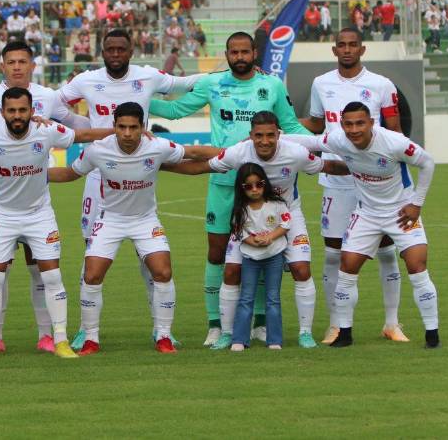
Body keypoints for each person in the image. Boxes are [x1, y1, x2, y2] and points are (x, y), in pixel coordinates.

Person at [149, 31, 310, 346]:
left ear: (254, 52)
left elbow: (290, 126)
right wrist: (136, 98)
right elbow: (174, 111)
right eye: (233, 52)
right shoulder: (213, 83)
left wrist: (329, 143)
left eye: (244, 52)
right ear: (226, 54)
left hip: (261, 187)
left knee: (265, 251)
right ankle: (215, 325)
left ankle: (260, 324)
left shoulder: (272, 85)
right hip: (224, 182)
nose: (239, 57)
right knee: (217, 252)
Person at [57, 28, 203, 350]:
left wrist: (222, 77)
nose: (115, 54)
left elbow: (185, 83)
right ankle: (86, 330)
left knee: (149, 260)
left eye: (121, 49)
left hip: (136, 166)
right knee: (91, 254)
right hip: (99, 174)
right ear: (102, 50)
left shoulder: (147, 76)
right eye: (110, 49)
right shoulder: (86, 80)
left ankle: (161, 329)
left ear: (131, 50)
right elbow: (55, 103)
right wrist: (86, 129)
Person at [163, 111, 349, 348]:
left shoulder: (295, 153)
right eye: (258, 135)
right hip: (247, 220)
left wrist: (364, 169)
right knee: (231, 272)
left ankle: (305, 333)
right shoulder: (239, 152)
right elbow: (201, 166)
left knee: (301, 270)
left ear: (278, 134)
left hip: (288, 217)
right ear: (250, 135)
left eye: (270, 135)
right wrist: (160, 166)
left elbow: (329, 166)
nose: (264, 141)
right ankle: (228, 334)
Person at [48, 102, 220, 354]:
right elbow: (70, 173)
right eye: (122, 127)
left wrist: (237, 153)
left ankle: (163, 335)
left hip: (145, 220)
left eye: (133, 127)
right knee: (92, 275)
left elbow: (193, 153)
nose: (127, 133)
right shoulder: (98, 151)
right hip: (110, 220)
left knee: (162, 272)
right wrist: (35, 173)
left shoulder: (158, 147)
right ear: (114, 127)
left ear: (143, 127)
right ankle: (91, 338)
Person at [0, 87, 112, 361]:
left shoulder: (47, 130)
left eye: (22, 110)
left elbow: (83, 135)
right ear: (2, 113)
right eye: (11, 111)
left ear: (32, 111)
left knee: (51, 276)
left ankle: (61, 340)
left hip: (39, 215)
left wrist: (117, 133)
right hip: (1, 215)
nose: (17, 116)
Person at [287, 102, 440, 349]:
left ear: (371, 123)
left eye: (360, 123)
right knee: (347, 267)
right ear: (342, 125)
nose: (354, 129)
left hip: (401, 213)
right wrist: (277, 137)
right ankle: (344, 333)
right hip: (366, 214)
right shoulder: (339, 140)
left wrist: (416, 204)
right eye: (349, 124)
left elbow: (428, 162)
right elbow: (312, 142)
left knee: (417, 267)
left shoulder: (394, 142)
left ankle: (432, 335)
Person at [299, 27, 407, 345]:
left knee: (387, 252)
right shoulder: (321, 83)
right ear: (334, 51)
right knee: (334, 254)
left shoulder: (382, 85)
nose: (347, 50)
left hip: (376, 182)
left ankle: (392, 323)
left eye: (352, 45)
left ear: (363, 49)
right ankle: (336, 324)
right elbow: (318, 124)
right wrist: (282, 123)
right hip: (338, 180)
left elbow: (396, 130)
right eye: (341, 45)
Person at [228, 163, 290, 351]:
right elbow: (239, 231)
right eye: (248, 186)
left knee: (273, 298)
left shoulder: (277, 204)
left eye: (259, 184)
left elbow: (286, 223)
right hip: (250, 258)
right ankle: (239, 339)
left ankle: (275, 340)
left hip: (274, 256)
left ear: (265, 184)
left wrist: (270, 237)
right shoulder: (241, 209)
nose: (254, 190)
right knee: (246, 298)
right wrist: (253, 242)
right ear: (241, 188)